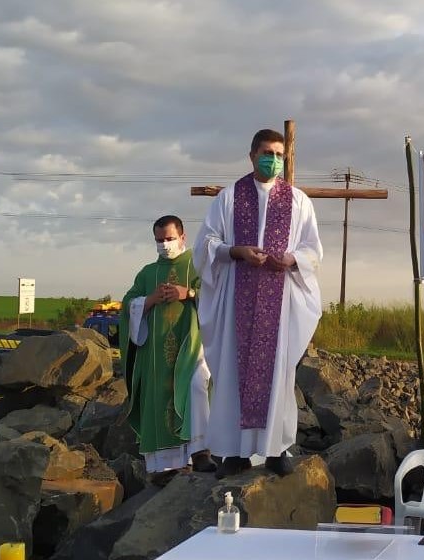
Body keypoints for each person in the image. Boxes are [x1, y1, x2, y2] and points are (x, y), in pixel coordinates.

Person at [193, 128, 324, 478]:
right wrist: (235, 251)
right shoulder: (229, 197)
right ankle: (233, 454)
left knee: (278, 374)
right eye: (267, 152)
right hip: (238, 295)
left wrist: (292, 259)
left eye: (280, 154)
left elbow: (314, 250)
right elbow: (205, 244)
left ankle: (277, 450)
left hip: (278, 301)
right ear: (251, 155)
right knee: (232, 374)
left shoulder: (298, 201)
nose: (274, 159)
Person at [119, 215, 217, 475]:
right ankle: (167, 468)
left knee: (197, 385)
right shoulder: (148, 273)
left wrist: (189, 293)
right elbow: (127, 305)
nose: (165, 245)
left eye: (170, 239)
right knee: (161, 400)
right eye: (159, 240)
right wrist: (149, 300)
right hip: (156, 356)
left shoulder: (197, 265)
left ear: (183, 237)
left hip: (194, 347)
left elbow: (218, 296)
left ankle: (201, 452)